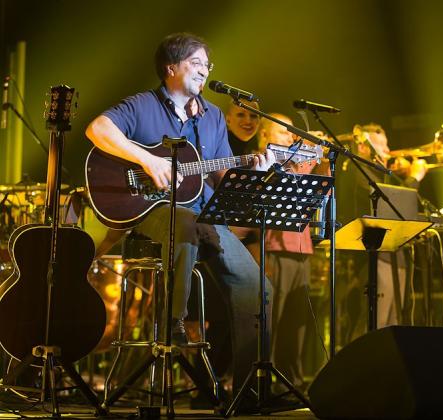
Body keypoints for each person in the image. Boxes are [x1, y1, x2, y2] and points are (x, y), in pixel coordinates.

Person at [85, 32, 276, 400]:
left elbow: (222, 176)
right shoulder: (143, 105)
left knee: (258, 288)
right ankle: (171, 325)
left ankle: (250, 391)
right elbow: (98, 129)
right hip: (151, 213)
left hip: (205, 215)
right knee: (184, 224)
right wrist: (148, 160)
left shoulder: (213, 116)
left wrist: (257, 170)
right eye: (196, 63)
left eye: (208, 65)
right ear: (171, 67)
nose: (205, 71)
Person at [254, 113, 329, 391]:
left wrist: (322, 159)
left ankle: (291, 386)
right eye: (284, 132)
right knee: (271, 320)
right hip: (273, 248)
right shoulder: (261, 161)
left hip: (302, 249)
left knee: (295, 322)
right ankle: (263, 384)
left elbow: (323, 193)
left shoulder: (298, 161)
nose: (292, 137)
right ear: (264, 136)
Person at [336, 123, 428, 340]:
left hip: (396, 257)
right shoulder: (356, 170)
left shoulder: (380, 175)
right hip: (375, 258)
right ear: (364, 148)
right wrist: (414, 178)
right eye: (382, 146)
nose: (388, 151)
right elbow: (392, 206)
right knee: (373, 326)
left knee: (392, 327)